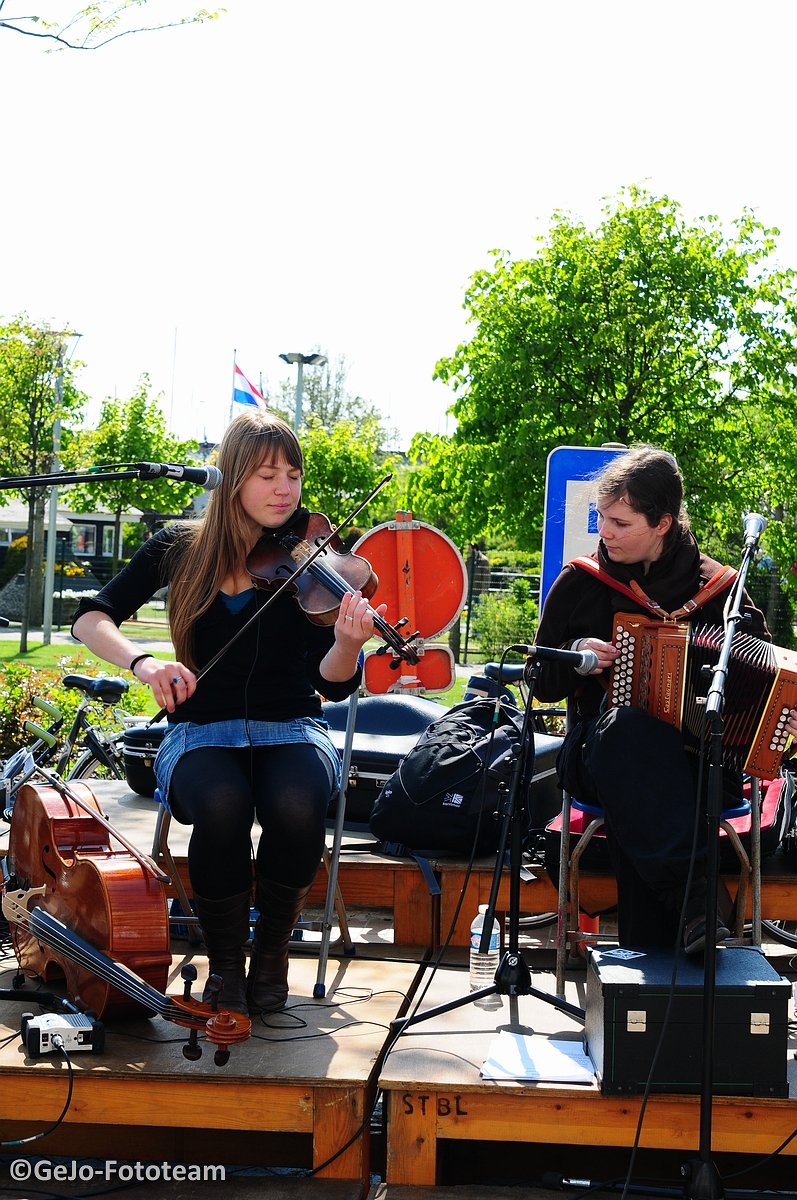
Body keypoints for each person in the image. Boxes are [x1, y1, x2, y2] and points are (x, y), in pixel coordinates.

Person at [72, 409, 385, 1016]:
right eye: (268, 474)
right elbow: (90, 616)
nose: (284, 489)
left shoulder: (313, 558)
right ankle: (224, 964)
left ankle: (270, 954)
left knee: (295, 802)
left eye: (293, 475)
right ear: (233, 476)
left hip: (292, 727)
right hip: (198, 732)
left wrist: (348, 644)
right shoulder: (179, 549)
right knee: (222, 803)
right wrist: (145, 664)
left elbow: (332, 685)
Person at [534, 445, 797, 954]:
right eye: (602, 519)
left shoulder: (721, 590)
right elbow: (540, 681)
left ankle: (653, 989)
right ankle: (697, 903)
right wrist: (574, 654)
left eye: (619, 522)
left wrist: (777, 722)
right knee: (628, 732)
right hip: (600, 755)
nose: (604, 533)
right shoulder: (581, 584)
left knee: (651, 794)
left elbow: (765, 682)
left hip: (699, 768)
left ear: (663, 523)